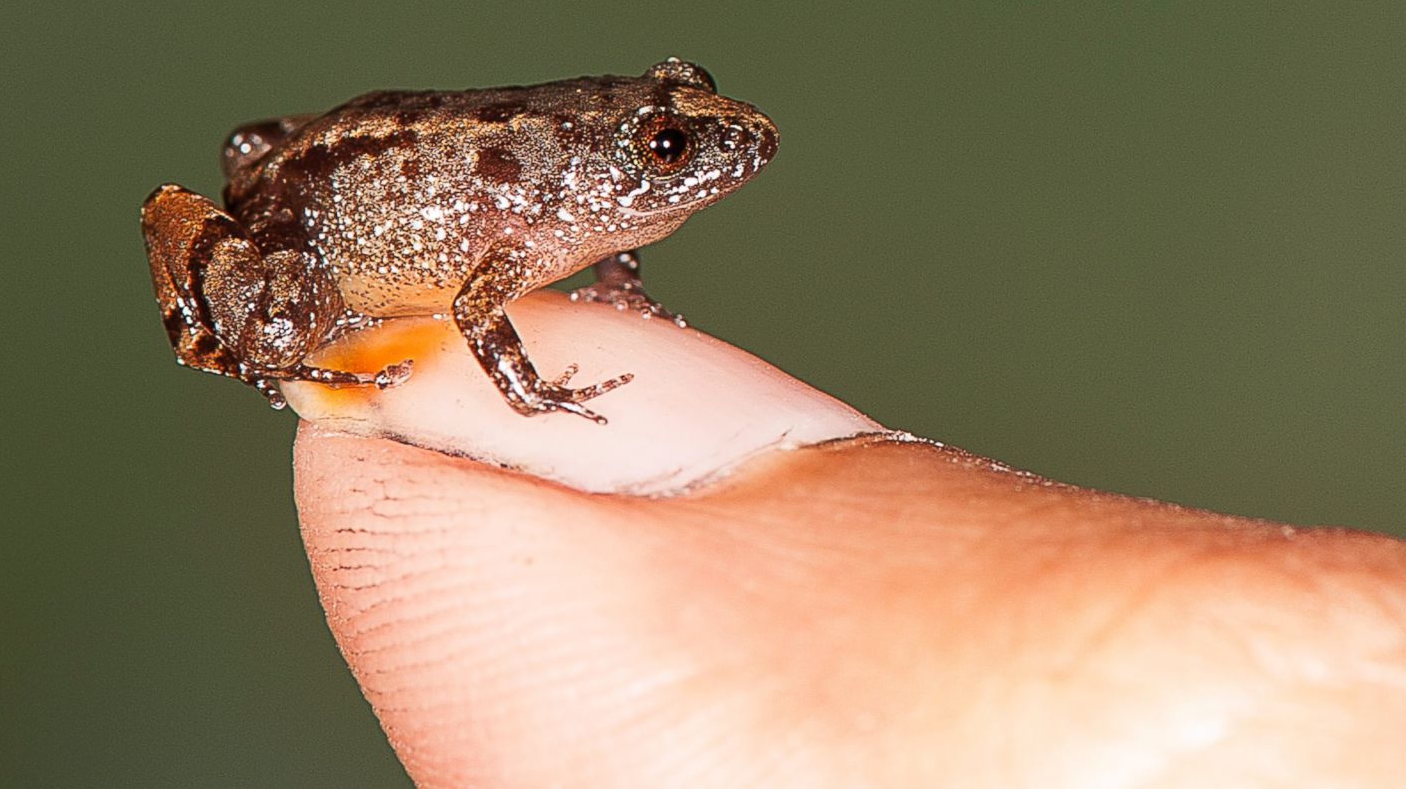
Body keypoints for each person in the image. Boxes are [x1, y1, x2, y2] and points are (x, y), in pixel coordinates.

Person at [290, 293, 1406, 787]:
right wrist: (533, 399)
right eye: (668, 148)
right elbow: (486, 306)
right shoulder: (525, 211)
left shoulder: (593, 206)